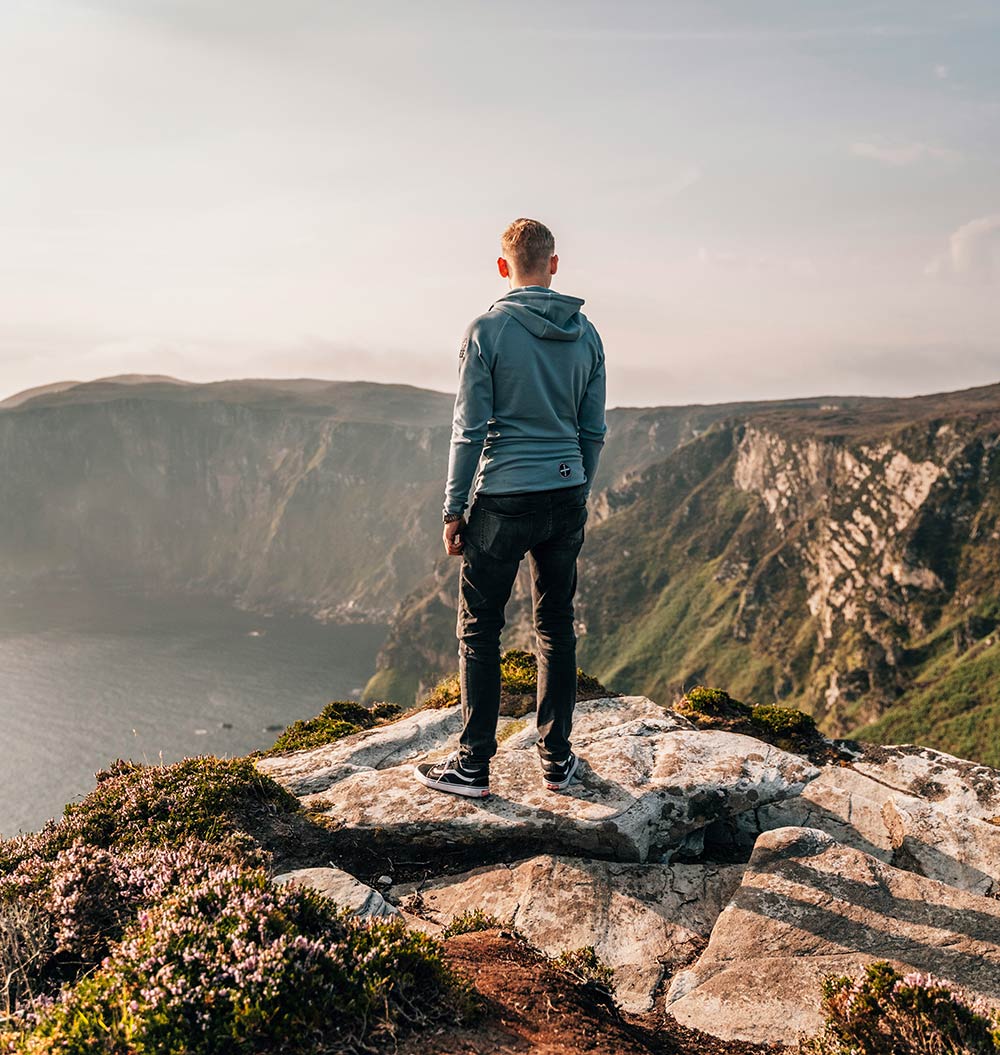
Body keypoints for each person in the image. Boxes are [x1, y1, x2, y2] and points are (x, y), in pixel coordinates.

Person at [413, 217, 607, 799]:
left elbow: (469, 430)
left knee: (481, 630)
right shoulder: (588, 334)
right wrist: (577, 488)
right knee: (556, 625)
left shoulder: (487, 331)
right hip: (566, 490)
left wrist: (454, 508)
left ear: (503, 267)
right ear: (554, 264)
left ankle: (473, 766)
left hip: (503, 497)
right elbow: (592, 430)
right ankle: (558, 760)